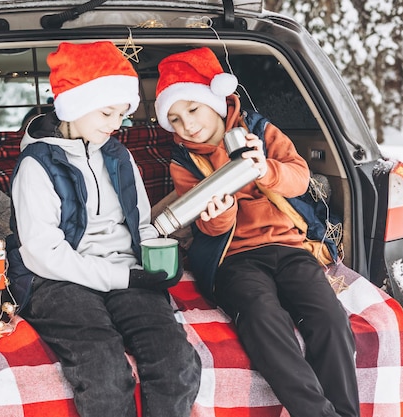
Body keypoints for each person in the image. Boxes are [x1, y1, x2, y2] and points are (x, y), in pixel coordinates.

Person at [154, 47, 360, 417]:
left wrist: (265, 170)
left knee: (329, 317)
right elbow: (208, 228)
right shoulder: (184, 161)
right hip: (235, 259)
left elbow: (298, 178)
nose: (187, 125)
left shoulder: (261, 131)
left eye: (193, 109)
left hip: (291, 248)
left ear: (215, 102)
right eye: (175, 119)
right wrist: (223, 211)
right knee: (263, 316)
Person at [6, 41, 201, 417]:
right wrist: (121, 277)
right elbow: (43, 252)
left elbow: (140, 223)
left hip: (125, 271)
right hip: (56, 279)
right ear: (75, 106)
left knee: (176, 360)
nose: (116, 125)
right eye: (107, 112)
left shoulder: (119, 156)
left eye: (122, 114)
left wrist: (158, 257)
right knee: (104, 371)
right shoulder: (37, 166)